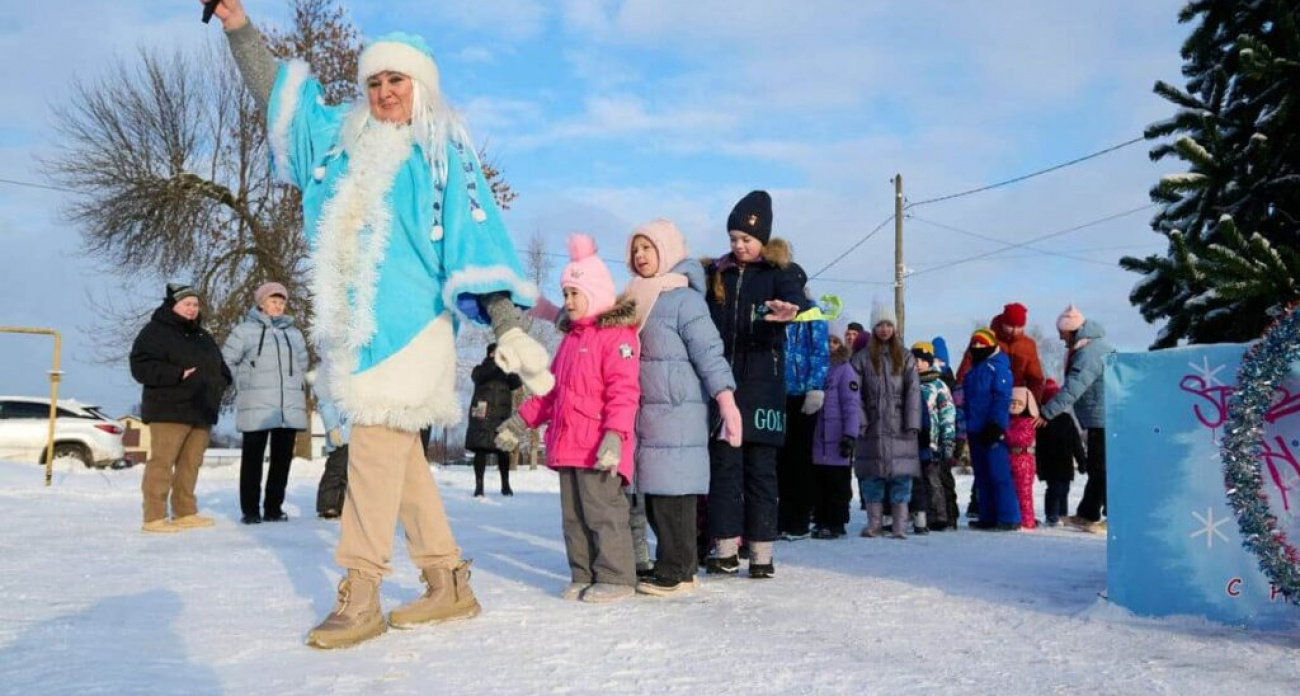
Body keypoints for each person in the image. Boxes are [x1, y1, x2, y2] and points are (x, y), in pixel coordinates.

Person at [211, 0, 553, 649]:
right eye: (374, 81)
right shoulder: (345, 140)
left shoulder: (441, 149)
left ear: (419, 84)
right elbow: (285, 101)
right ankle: (447, 581)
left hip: (412, 327)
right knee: (400, 460)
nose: (384, 91)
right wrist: (237, 26)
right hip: (355, 331)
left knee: (369, 451)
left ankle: (362, 591)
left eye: (396, 80)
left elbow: (475, 239)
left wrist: (506, 324)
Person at [496, 234, 641, 603]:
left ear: (595, 293)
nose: (568, 302)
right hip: (568, 444)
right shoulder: (571, 342)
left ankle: (616, 576)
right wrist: (519, 422)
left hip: (599, 447)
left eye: (575, 293)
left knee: (603, 513)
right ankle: (583, 572)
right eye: (565, 294)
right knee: (574, 518)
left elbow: (624, 392)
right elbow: (550, 392)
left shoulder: (616, 337)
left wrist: (615, 435)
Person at [619, 219, 741, 597]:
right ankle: (676, 564)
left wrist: (726, 398)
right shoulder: (635, 297)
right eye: (635, 250)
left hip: (677, 410)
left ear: (668, 252)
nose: (640, 256)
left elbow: (708, 350)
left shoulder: (684, 299)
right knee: (654, 495)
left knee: (674, 494)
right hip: (645, 412)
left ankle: (679, 569)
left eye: (648, 249)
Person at [702, 190, 804, 578]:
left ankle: (762, 553)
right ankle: (726, 549)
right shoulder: (719, 274)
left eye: (746, 239)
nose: (739, 246)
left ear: (763, 239)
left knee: (761, 471)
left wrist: (787, 308)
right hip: (725, 387)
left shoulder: (779, 273)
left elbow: (795, 294)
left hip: (764, 386)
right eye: (733, 239)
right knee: (725, 470)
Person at [130, 283, 232, 533]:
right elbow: (140, 366)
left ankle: (184, 511)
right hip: (169, 409)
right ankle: (153, 516)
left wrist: (223, 379)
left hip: (201, 408)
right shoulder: (155, 332)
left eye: (195, 305)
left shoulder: (202, 335)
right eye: (187, 304)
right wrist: (177, 374)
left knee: (191, 464)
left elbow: (218, 364)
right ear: (173, 305)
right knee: (162, 462)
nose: (192, 309)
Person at [221, 282, 309, 524]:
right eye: (273, 301)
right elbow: (227, 361)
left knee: (282, 461)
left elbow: (302, 365)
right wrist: (239, 383)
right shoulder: (244, 331)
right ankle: (250, 511)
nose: (278, 306)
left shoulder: (294, 334)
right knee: (253, 460)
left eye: (281, 302)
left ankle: (273, 508)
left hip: (287, 406)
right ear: (261, 303)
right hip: (256, 404)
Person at [1037, 305, 1114, 534]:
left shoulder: (1090, 353)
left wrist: (1047, 412)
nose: (1061, 338)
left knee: (1103, 469)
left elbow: (1072, 388)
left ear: (1072, 330)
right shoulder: (1088, 348)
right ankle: (1088, 514)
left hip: (1105, 417)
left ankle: (1112, 517)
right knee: (1097, 468)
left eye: (1062, 333)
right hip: (1099, 417)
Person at [852, 303, 921, 539]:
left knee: (902, 478)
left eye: (888, 324)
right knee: (872, 477)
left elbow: (913, 391)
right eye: (880, 324)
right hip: (872, 426)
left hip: (900, 425)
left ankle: (900, 526)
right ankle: (874, 524)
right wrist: (860, 420)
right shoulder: (861, 358)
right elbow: (854, 393)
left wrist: (912, 422)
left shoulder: (906, 356)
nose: (884, 329)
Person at [776, 255, 831, 541]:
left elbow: (820, 352)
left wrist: (815, 387)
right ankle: (780, 517)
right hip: (777, 394)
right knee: (779, 460)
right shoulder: (774, 309)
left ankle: (798, 519)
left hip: (803, 396)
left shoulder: (812, 312)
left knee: (799, 459)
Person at [963, 328, 1020, 531]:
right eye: (974, 345)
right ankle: (988, 516)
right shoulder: (973, 371)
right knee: (982, 475)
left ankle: (1008, 516)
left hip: (992, 429)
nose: (977, 348)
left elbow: (1002, 397)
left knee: (999, 473)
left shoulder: (998, 368)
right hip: (975, 428)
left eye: (981, 345)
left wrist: (996, 424)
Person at [810, 334, 861, 539]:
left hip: (837, 437)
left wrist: (850, 434)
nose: (831, 346)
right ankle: (822, 520)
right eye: (828, 341)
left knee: (837, 483)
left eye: (835, 342)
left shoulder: (846, 371)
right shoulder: (820, 369)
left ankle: (836, 522)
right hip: (818, 438)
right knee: (820, 482)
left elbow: (851, 405)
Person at [464, 343, 522, 497]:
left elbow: (516, 382)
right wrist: (493, 362)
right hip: (482, 415)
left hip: (502, 416)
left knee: (503, 451)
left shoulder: (506, 371)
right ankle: (479, 486)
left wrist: (509, 366)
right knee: (480, 450)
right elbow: (478, 377)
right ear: (490, 354)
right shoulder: (481, 369)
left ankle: (505, 485)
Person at [912, 342, 956, 531]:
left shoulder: (938, 385)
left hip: (933, 442)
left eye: (922, 360)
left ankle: (941, 516)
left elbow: (947, 413)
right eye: (915, 360)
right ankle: (919, 513)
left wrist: (947, 440)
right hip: (913, 440)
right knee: (917, 480)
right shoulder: (909, 383)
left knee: (934, 479)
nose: (918, 364)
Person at [1035, 379, 1087, 527]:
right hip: (1050, 463)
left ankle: (1062, 514)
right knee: (1054, 489)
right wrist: (1039, 466)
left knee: (1064, 489)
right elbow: (1039, 446)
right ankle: (1052, 514)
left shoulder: (1066, 418)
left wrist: (1082, 461)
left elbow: (1076, 442)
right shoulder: (1042, 421)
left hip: (1065, 462)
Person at [312, 363, 350, 519]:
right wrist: (332, 427)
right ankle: (327, 505)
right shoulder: (330, 372)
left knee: (349, 475)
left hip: (357, 435)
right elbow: (325, 404)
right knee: (336, 470)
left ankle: (343, 505)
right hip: (340, 435)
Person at [1006, 386, 1039, 530]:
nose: (1015, 406)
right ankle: (1016, 516)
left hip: (1024, 460)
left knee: (1024, 491)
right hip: (1011, 458)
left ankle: (1027, 520)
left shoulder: (1028, 422)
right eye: (1012, 402)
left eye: (1019, 403)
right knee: (1012, 490)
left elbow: (1020, 439)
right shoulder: (1008, 420)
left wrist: (1004, 434)